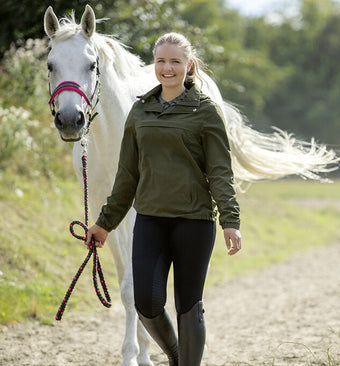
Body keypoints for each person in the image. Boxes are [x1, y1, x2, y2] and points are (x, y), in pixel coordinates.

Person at [86, 32, 242, 366]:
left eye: (175, 61)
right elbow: (127, 176)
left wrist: (230, 221)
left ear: (188, 65)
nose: (167, 68)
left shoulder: (206, 111)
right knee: (146, 302)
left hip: (195, 221)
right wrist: (104, 223)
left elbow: (220, 172)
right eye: (161, 61)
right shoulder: (140, 111)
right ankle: (175, 355)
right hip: (151, 221)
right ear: (154, 64)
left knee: (189, 306)